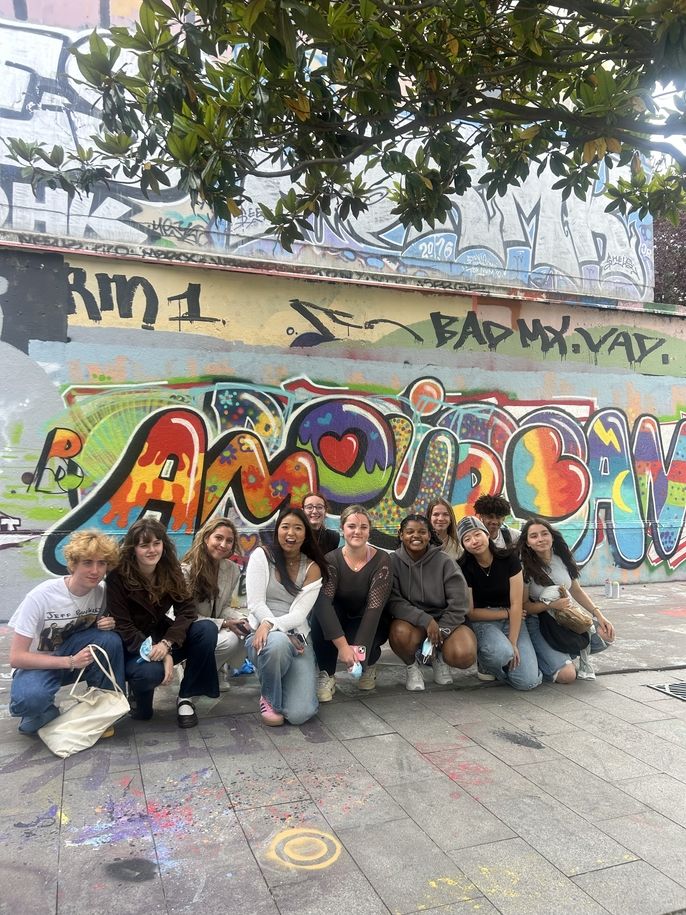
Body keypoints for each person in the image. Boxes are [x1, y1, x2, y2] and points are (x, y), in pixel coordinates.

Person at [9, 530, 125, 736]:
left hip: (73, 656)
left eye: (102, 563)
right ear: (73, 564)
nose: (95, 570)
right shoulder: (41, 596)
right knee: (30, 702)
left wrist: (106, 624)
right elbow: (16, 657)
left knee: (109, 639)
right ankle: (41, 711)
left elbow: (93, 637)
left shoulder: (102, 592)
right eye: (87, 563)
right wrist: (70, 662)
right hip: (39, 664)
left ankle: (104, 709)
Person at [107, 518, 219, 728]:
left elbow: (186, 610)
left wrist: (167, 643)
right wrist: (162, 653)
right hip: (133, 646)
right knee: (145, 704)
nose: (152, 550)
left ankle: (186, 697)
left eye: (156, 543)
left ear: (163, 544)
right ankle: (138, 691)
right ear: (133, 549)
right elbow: (123, 626)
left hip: (162, 637)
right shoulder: (118, 576)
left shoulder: (169, 567)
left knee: (206, 630)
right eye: (144, 545)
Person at [245, 508, 326, 725]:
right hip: (260, 635)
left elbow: (300, 615)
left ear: (306, 535)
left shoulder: (312, 568)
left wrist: (274, 625)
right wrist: (271, 627)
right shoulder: (262, 556)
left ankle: (274, 672)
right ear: (277, 530)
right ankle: (270, 698)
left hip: (297, 637)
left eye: (298, 528)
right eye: (285, 527)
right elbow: (255, 603)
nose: (291, 533)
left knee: (300, 715)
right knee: (278, 644)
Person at [519, 518, 616, 683]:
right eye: (534, 536)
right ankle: (541, 656)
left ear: (552, 536)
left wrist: (599, 615)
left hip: (565, 618)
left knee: (606, 635)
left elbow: (576, 591)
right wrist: (550, 605)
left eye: (544, 534)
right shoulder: (524, 567)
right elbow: (525, 606)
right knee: (567, 676)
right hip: (540, 623)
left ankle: (561, 654)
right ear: (528, 543)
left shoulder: (562, 558)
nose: (540, 539)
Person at [387, 514, 476, 691]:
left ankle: (439, 658)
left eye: (422, 532)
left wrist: (441, 629)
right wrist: (425, 620)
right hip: (414, 622)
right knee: (398, 632)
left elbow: (459, 603)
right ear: (401, 535)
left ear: (429, 535)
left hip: (448, 622)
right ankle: (412, 666)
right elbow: (393, 601)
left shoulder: (445, 562)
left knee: (463, 655)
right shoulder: (392, 561)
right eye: (410, 531)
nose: (416, 536)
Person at [312, 504, 392, 700]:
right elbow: (323, 603)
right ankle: (326, 674)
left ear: (369, 531)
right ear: (342, 529)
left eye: (363, 527)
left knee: (365, 641)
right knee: (319, 617)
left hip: (368, 618)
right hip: (341, 617)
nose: (357, 531)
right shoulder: (331, 560)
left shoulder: (382, 560)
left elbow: (374, 608)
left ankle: (369, 664)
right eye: (352, 526)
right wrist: (342, 646)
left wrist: (359, 652)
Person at [458, 516, 541, 690]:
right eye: (467, 539)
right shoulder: (463, 568)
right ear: (463, 545)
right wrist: (507, 613)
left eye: (477, 534)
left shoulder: (509, 558)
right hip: (484, 623)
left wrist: (512, 642)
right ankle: (489, 662)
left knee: (527, 682)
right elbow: (471, 613)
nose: (474, 541)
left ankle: (508, 666)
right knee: (502, 653)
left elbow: (517, 603)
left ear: (487, 534)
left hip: (514, 620)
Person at [181, 516, 250, 690]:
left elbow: (224, 606)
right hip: (189, 630)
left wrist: (242, 619)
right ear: (206, 538)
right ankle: (194, 670)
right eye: (218, 538)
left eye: (229, 541)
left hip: (213, 626)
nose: (223, 544)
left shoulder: (232, 569)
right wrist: (224, 623)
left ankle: (214, 668)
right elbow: (184, 616)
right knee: (229, 641)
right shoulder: (187, 570)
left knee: (246, 627)